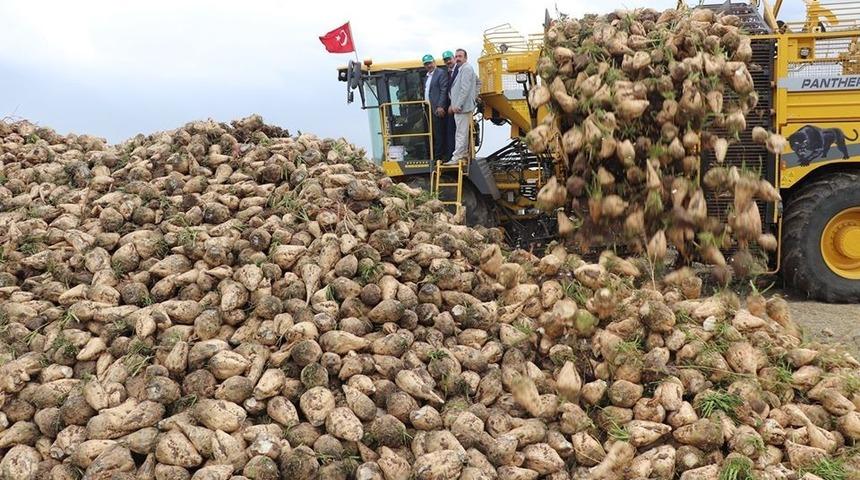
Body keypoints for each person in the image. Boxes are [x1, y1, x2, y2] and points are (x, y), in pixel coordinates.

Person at [446, 48, 478, 165]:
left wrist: (458, 104)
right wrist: (474, 96)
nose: (458, 58)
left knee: (461, 132)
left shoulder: (466, 69)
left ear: (466, 58)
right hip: (461, 106)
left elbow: (464, 88)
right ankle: (461, 153)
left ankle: (458, 156)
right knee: (461, 132)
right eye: (456, 56)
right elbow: (477, 82)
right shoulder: (462, 69)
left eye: (460, 56)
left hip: (462, 108)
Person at [422, 54, 449, 162]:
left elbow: (444, 90)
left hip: (437, 108)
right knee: (430, 133)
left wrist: (440, 106)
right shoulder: (427, 76)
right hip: (428, 108)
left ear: (434, 62)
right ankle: (431, 155)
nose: (428, 65)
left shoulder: (440, 73)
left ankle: (438, 157)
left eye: (430, 63)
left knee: (438, 133)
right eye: (426, 64)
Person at [442, 50, 457, 160]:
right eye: (446, 60)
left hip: (457, 108)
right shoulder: (446, 73)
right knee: (449, 131)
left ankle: (453, 156)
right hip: (448, 108)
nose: (448, 61)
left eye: (449, 59)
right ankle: (449, 155)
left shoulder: (461, 70)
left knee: (455, 132)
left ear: (454, 58)